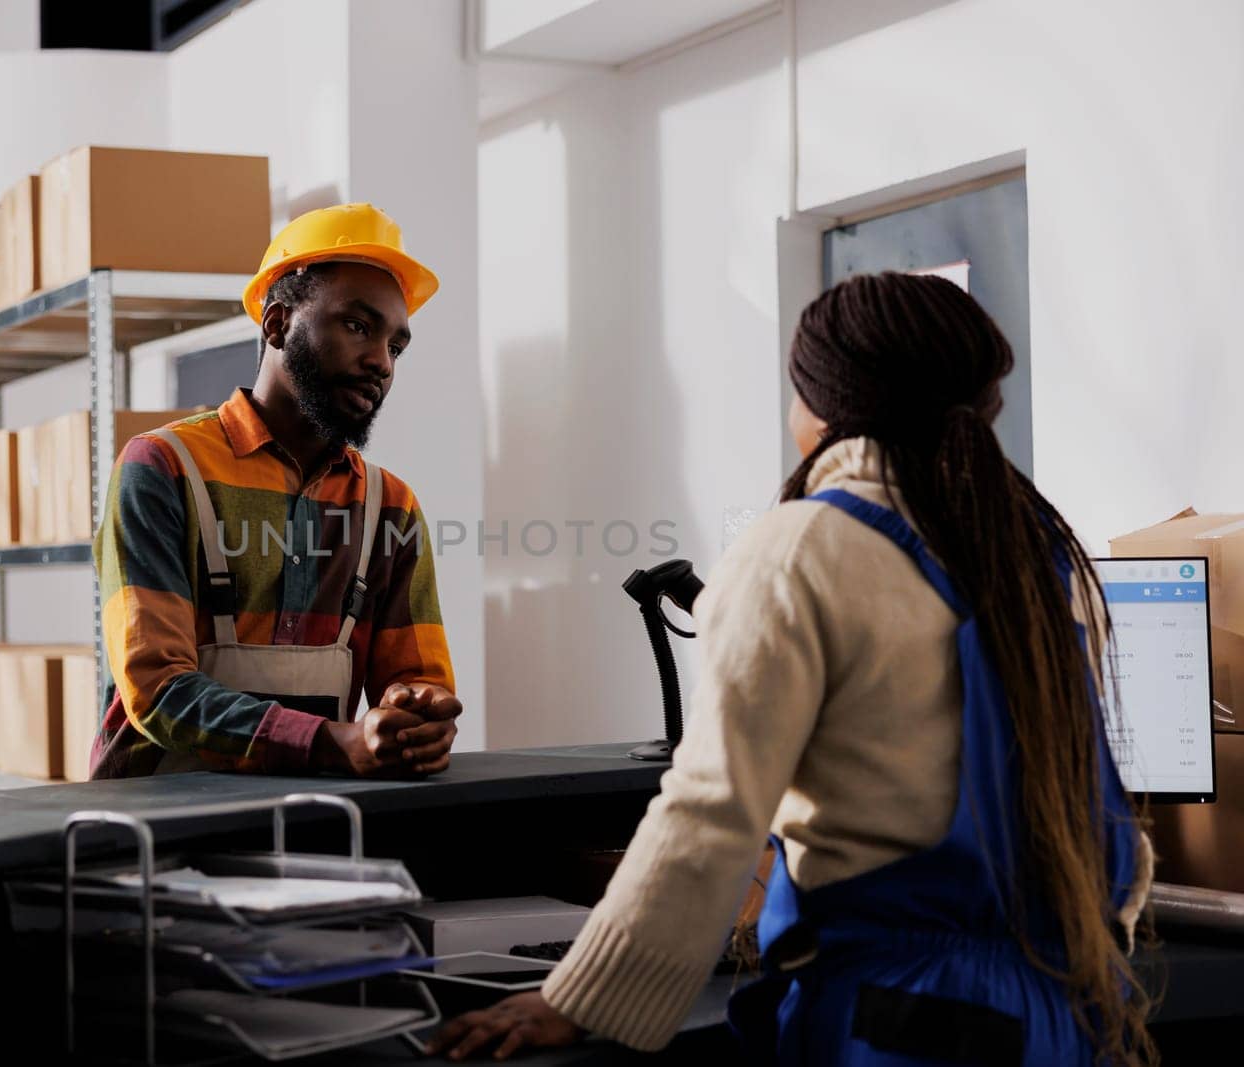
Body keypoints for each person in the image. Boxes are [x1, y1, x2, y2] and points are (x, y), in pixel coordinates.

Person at [428, 271, 1155, 1064]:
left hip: (899, 1018)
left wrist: (576, 997)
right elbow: (1106, 821)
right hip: (1065, 1007)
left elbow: (711, 814)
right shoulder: (1035, 555)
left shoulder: (802, 547)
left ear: (819, 410)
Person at [90, 203, 463, 780]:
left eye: (396, 346)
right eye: (359, 327)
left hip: (315, 821)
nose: (380, 362)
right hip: (152, 825)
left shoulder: (391, 506)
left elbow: (417, 679)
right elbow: (156, 690)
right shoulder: (163, 468)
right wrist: (334, 743)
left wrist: (417, 715)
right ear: (278, 324)